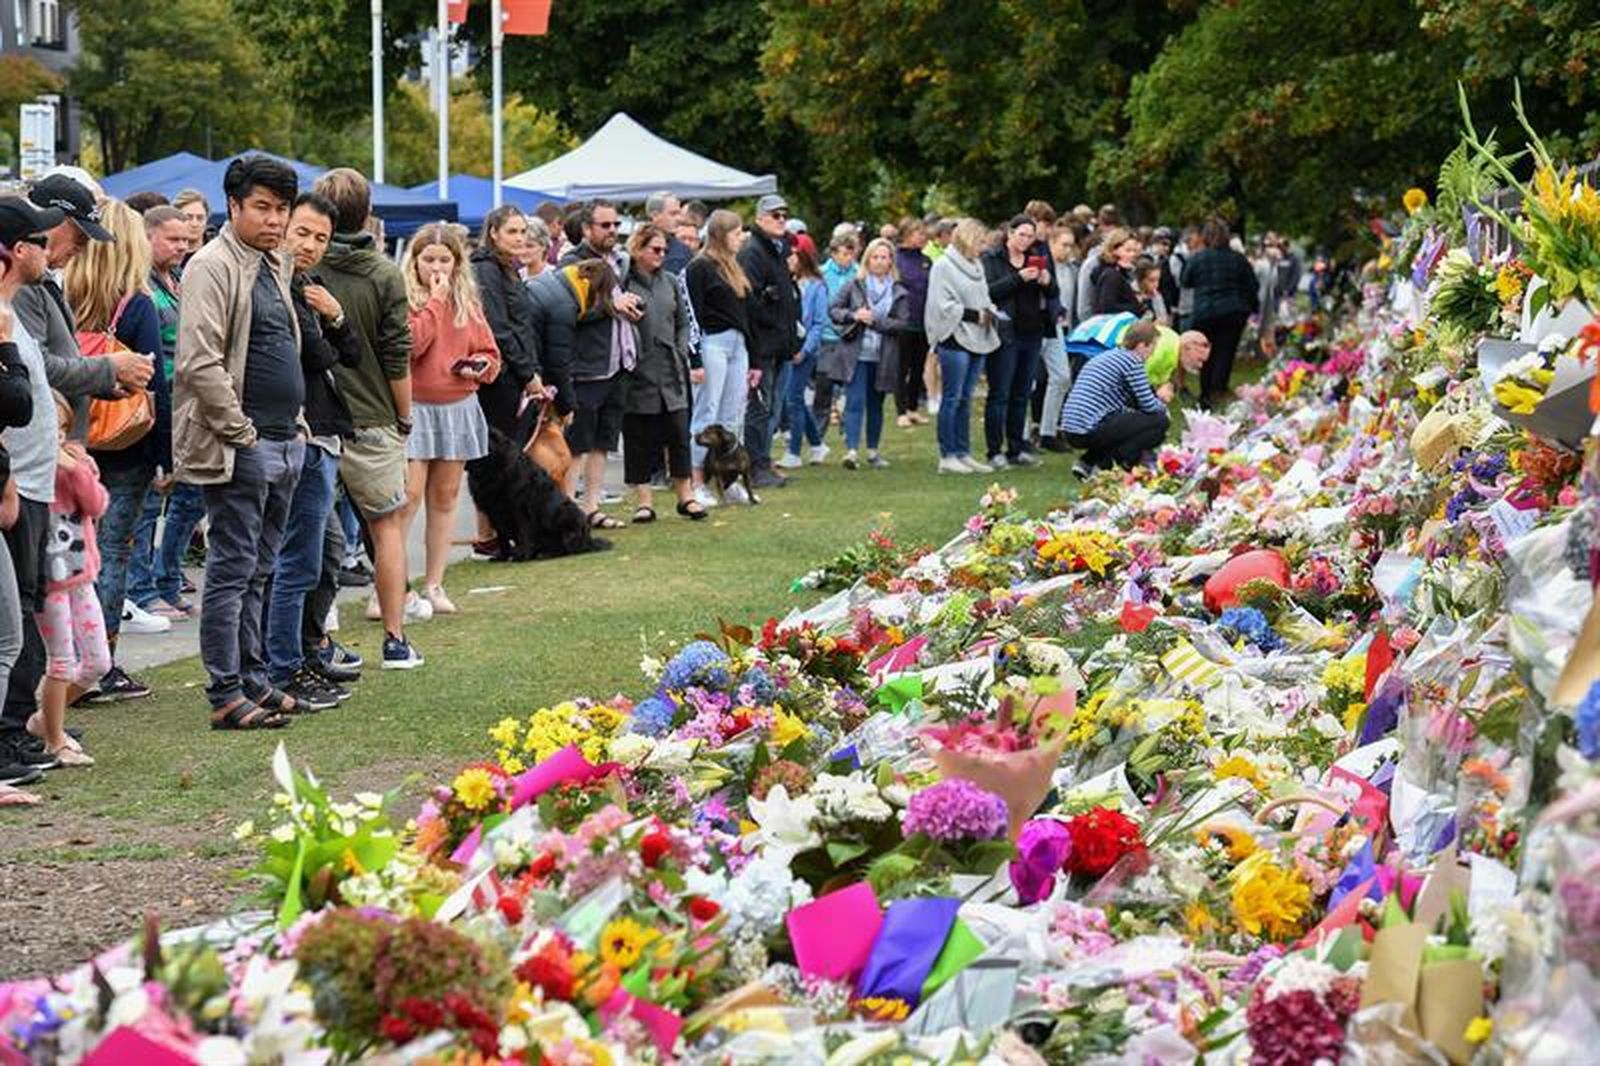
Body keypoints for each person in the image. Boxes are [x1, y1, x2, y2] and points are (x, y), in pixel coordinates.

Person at [172, 155, 308, 728]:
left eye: (282, 209)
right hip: (241, 445)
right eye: (262, 207)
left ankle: (253, 679)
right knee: (232, 570)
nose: (275, 219)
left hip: (283, 437)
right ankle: (225, 693)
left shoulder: (274, 260)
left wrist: (295, 425)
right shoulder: (211, 264)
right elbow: (199, 362)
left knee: (261, 568)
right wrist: (243, 434)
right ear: (233, 206)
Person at [311, 170, 426, 669]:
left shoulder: (300, 265)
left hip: (314, 414)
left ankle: (318, 632)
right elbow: (396, 354)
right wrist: (404, 415)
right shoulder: (383, 273)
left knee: (311, 530)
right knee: (387, 529)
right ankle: (395, 639)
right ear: (368, 212)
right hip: (373, 414)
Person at [61, 197, 168, 704]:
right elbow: (155, 384)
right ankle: (99, 662)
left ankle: (67, 660)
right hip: (127, 443)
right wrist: (166, 456)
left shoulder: (63, 296)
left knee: (73, 555)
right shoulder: (136, 304)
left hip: (74, 441)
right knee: (113, 553)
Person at [261, 191, 365, 710]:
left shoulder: (309, 287)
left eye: (321, 238)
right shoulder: (276, 287)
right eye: (302, 232)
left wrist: (338, 314)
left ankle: (304, 649)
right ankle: (283, 666)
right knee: (297, 561)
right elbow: (318, 354)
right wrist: (329, 328)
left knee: (324, 557)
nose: (309, 245)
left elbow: (352, 352)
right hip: (300, 435)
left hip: (323, 434)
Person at [0, 194, 68, 784]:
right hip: (15, 483)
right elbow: (13, 405)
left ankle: (16, 728)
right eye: (41, 241)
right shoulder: (3, 318)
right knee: (14, 615)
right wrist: (9, 481)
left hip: (34, 479)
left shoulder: (14, 310)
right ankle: (7, 732)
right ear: (17, 251)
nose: (51, 249)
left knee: (26, 605)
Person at [400, 222, 501, 614]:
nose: (437, 267)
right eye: (429, 259)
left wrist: (480, 366)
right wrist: (436, 301)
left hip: (457, 406)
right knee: (407, 499)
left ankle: (434, 583)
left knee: (445, 498)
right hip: (415, 407)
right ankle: (391, 586)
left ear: (458, 263)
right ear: (415, 261)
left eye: (445, 260)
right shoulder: (406, 299)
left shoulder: (468, 303)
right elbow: (413, 344)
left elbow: (490, 353)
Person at [127, 206, 207, 625]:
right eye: (173, 239)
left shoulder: (177, 279)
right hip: (156, 405)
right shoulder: (137, 285)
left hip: (187, 406)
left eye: (186, 240)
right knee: (148, 502)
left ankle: (168, 582)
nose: (182, 246)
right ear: (148, 236)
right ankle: (141, 590)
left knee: (190, 498)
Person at [32, 393, 108, 766]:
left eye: (63, 428)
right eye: (52, 428)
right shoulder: (29, 469)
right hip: (49, 582)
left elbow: (97, 505)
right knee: (60, 661)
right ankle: (54, 740)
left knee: (98, 663)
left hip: (81, 576)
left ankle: (43, 719)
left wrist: (79, 470)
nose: (59, 436)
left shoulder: (75, 465)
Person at [558, 200, 641, 527]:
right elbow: (571, 312)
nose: (612, 231)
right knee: (577, 444)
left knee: (603, 442)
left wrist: (632, 306)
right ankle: (567, 512)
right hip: (588, 367)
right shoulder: (572, 262)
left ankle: (591, 508)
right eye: (605, 225)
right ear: (586, 228)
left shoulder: (619, 261)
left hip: (619, 362)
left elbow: (618, 304)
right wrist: (612, 306)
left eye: (616, 225)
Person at [621, 223, 704, 522]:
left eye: (664, 250)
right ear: (638, 249)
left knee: (679, 432)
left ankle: (686, 495)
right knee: (638, 436)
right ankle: (644, 501)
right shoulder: (623, 282)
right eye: (655, 249)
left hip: (671, 368)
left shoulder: (670, 280)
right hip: (637, 370)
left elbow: (684, 322)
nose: (661, 255)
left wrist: (681, 350)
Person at [683, 209, 754, 508]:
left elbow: (745, 312)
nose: (741, 238)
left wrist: (754, 358)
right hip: (712, 342)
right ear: (721, 235)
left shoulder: (733, 266)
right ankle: (696, 481)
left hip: (738, 343)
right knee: (706, 412)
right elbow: (692, 315)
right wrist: (695, 359)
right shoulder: (698, 267)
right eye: (736, 233)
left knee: (733, 414)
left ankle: (730, 479)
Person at [823, 237, 908, 471]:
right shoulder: (854, 284)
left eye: (884, 257)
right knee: (855, 401)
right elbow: (834, 310)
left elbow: (902, 323)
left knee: (876, 404)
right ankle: (851, 451)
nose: (879, 261)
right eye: (875, 257)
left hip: (884, 356)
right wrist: (854, 315)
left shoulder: (898, 290)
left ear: (891, 261)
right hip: (856, 353)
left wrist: (875, 322)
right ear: (867, 260)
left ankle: (873, 451)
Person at [924, 218, 1000, 475]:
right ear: (968, 239)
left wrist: (989, 310)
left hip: (978, 337)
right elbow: (942, 305)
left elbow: (982, 296)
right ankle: (947, 455)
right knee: (952, 397)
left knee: (966, 398)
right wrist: (975, 315)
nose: (983, 247)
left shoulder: (976, 265)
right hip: (954, 337)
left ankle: (963, 452)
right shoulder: (943, 266)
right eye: (980, 241)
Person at [982, 214, 1057, 468]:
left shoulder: (1036, 257)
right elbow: (989, 291)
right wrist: (1019, 278)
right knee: (1000, 393)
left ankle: (1017, 448)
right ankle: (994, 451)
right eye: (1021, 235)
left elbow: (1053, 293)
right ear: (1010, 233)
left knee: (1022, 393)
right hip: (1005, 333)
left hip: (1032, 332)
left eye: (1030, 236)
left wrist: (1047, 282)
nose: (1025, 240)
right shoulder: (992, 259)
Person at [737, 194, 800, 490]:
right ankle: (755, 466)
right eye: (775, 215)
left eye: (784, 215)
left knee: (772, 407)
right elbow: (750, 301)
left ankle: (763, 460)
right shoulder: (753, 251)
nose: (781, 219)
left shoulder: (778, 249)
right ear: (760, 218)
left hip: (779, 343)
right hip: (762, 345)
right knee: (759, 408)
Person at [470, 206, 541, 445]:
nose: (520, 238)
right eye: (512, 231)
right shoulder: (486, 268)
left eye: (523, 231)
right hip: (500, 377)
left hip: (514, 373)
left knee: (512, 449)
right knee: (501, 452)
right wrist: (527, 374)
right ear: (494, 233)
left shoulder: (508, 268)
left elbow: (521, 325)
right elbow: (498, 328)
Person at [1060, 320, 1169, 473]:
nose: (1153, 353)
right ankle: (1110, 464)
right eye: (1153, 346)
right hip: (1088, 428)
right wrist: (1163, 405)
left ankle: (1088, 462)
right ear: (1141, 345)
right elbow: (1149, 405)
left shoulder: (1107, 356)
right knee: (1159, 421)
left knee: (1130, 423)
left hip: (1070, 427)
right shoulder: (1132, 361)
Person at [1181, 218, 1259, 409]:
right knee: (1225, 352)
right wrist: (1250, 307)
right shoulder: (1238, 259)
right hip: (1233, 310)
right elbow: (1252, 285)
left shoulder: (1197, 258)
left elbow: (1185, 280)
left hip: (1205, 311)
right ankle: (1218, 390)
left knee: (1204, 352)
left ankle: (1206, 393)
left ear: (1205, 237)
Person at [779, 244, 828, 468]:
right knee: (795, 398)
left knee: (793, 398)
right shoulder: (787, 283)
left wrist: (804, 349)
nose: (788, 261)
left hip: (805, 349)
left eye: (793, 257)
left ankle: (794, 451)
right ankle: (817, 444)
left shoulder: (817, 287)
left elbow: (818, 323)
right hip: (788, 347)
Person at [810, 232, 858, 451]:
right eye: (844, 253)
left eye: (851, 253)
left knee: (850, 389)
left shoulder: (858, 273)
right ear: (834, 253)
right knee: (823, 389)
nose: (848, 258)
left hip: (850, 337)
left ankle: (850, 434)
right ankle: (817, 437)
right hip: (827, 339)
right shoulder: (821, 273)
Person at [1038, 224, 1081, 454]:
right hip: (1040, 325)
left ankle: (1048, 431)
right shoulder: (1043, 264)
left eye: (1070, 245)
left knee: (1062, 377)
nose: (1068, 250)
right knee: (1029, 382)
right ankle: (1026, 433)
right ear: (1052, 243)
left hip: (1061, 327)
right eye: (1064, 245)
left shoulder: (1071, 269)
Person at [893, 218, 933, 428]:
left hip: (923, 321)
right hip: (903, 322)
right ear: (906, 234)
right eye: (919, 232)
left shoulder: (926, 260)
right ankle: (901, 411)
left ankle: (912, 408)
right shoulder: (896, 259)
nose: (923, 236)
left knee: (918, 367)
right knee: (902, 367)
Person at [1090, 228, 1143, 316]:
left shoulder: (1128, 272)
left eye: (1134, 251)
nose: (1132, 254)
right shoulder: (1111, 275)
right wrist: (1135, 307)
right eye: (1128, 250)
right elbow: (1108, 307)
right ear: (1114, 250)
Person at [646, 191, 692, 274]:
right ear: (655, 216)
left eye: (679, 213)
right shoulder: (635, 249)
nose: (679, 219)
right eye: (673, 214)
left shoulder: (683, 251)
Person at [1136, 260, 1169, 325]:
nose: (1156, 284)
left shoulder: (1156, 294)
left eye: (1158, 280)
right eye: (1151, 280)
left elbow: (1163, 316)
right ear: (1140, 279)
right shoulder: (1132, 295)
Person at [520, 217, 551, 284]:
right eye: (520, 246)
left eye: (530, 246)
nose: (523, 251)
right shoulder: (516, 276)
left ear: (543, 246)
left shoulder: (553, 276)